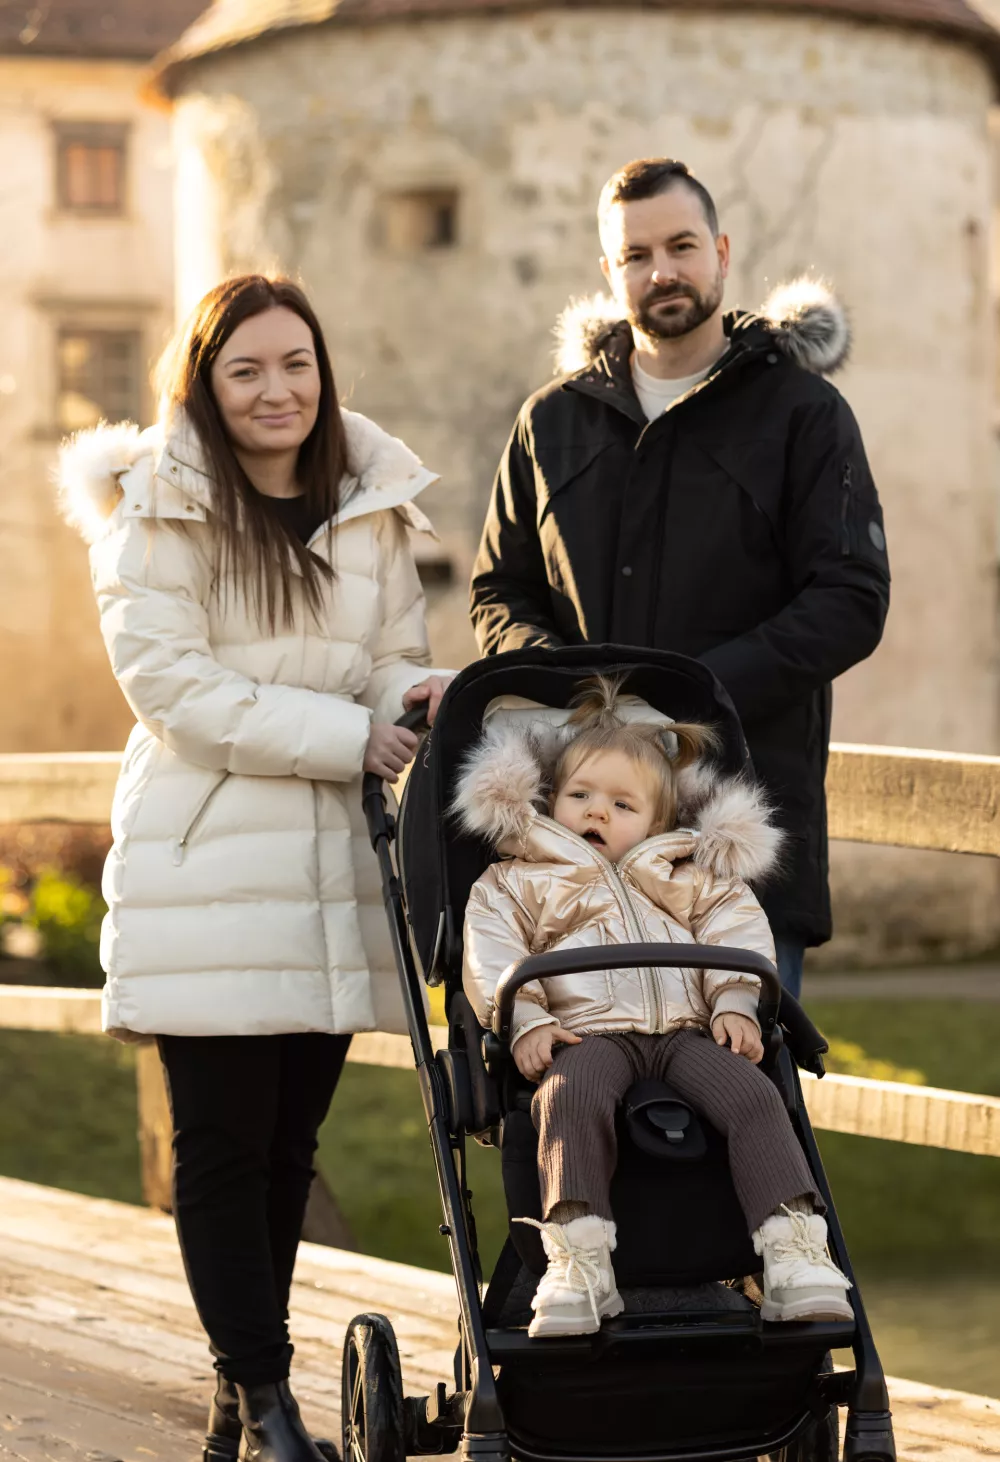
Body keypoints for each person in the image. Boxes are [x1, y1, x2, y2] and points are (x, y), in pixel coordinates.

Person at [57, 275, 450, 1462]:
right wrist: (348, 734)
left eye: (295, 364)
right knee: (222, 1144)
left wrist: (413, 698)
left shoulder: (370, 500)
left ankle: (243, 1387)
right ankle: (264, 1392)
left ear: (322, 373)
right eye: (246, 370)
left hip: (332, 868)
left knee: (288, 1144)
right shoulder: (158, 509)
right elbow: (172, 689)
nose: (276, 389)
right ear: (205, 383)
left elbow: (386, 656)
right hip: (210, 862)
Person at [469, 157, 891, 998]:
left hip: (738, 833)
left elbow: (850, 597)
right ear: (610, 271)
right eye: (636, 254)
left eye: (681, 245)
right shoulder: (549, 422)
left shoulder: (803, 415)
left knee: (741, 1102)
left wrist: (683, 698)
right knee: (580, 1095)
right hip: (576, 837)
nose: (661, 270)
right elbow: (497, 594)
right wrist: (587, 697)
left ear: (722, 253)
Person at [455, 677, 852, 1338]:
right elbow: (492, 955)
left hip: (688, 1033)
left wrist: (733, 1003)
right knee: (566, 1102)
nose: (597, 813)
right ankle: (577, 1264)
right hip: (584, 1035)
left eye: (621, 803)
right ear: (551, 801)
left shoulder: (689, 874)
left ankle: (793, 1253)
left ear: (662, 820)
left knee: (754, 1096)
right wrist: (527, 1019)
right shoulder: (517, 878)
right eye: (580, 796)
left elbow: (740, 936)